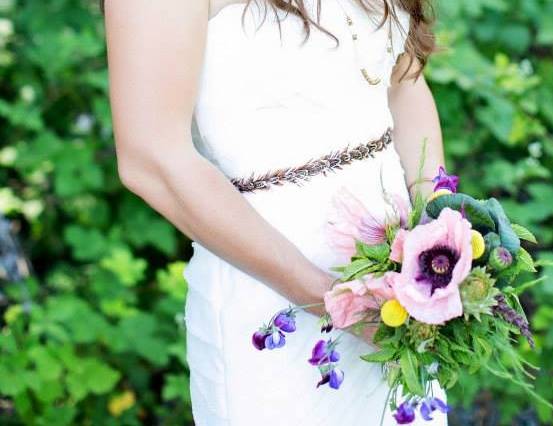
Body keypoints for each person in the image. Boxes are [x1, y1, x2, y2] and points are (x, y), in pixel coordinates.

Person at [103, 0, 447, 424]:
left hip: (402, 290)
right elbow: (151, 159)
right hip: (271, 301)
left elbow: (402, 84)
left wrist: (439, 239)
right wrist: (331, 299)